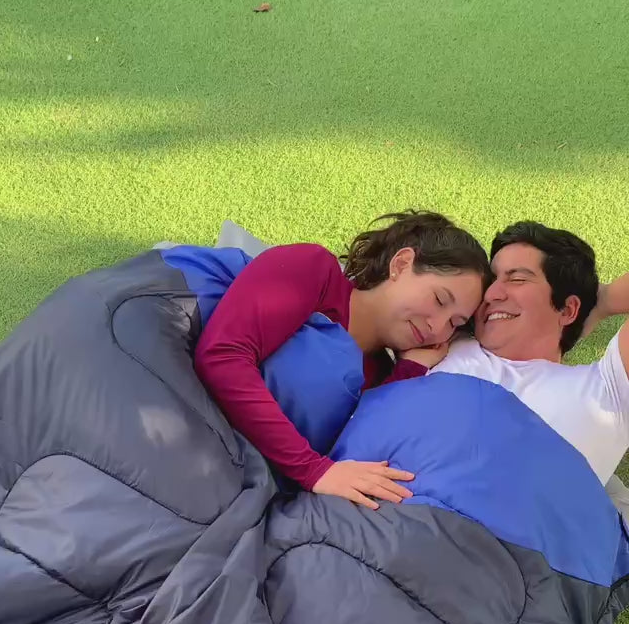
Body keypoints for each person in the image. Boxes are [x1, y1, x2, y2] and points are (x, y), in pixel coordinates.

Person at [193, 211, 490, 509]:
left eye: (454, 323)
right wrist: (312, 469)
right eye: (439, 300)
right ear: (401, 264)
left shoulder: (381, 377)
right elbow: (223, 355)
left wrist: (411, 369)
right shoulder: (315, 272)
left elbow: (357, 454)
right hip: (191, 428)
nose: (436, 327)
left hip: (235, 485)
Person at [400, 221, 629, 489]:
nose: (491, 294)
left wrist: (602, 301)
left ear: (568, 310)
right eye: (491, 280)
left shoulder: (608, 390)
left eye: (517, 279)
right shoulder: (443, 335)